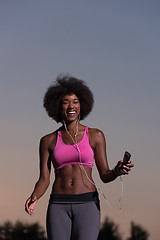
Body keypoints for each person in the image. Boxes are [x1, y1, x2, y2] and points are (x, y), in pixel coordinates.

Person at [25, 74, 134, 240]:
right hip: (58, 204)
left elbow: (105, 175)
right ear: (57, 106)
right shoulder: (47, 140)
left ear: (82, 105)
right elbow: (44, 179)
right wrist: (34, 196)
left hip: (88, 204)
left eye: (75, 101)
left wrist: (118, 170)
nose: (71, 106)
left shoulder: (95, 135)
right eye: (65, 102)